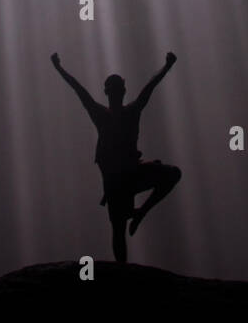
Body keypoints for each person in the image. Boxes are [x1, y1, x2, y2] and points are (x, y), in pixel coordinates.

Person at [51, 51, 181, 263]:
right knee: (118, 229)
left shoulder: (131, 111)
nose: (116, 92)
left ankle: (140, 213)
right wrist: (59, 68)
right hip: (115, 183)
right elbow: (78, 89)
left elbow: (149, 88)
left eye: (118, 88)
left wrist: (167, 67)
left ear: (122, 91)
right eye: (113, 89)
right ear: (107, 92)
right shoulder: (101, 114)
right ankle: (122, 271)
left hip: (132, 173)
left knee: (172, 174)